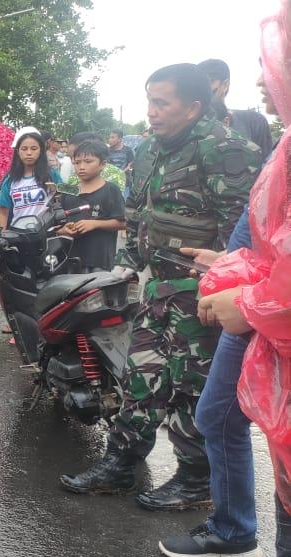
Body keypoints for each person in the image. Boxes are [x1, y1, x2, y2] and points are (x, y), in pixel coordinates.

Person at [60, 63, 262, 511]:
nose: (151, 112)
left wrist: (227, 288)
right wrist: (129, 266)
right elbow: (137, 214)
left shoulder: (229, 151)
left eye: (161, 103)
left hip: (203, 295)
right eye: (148, 101)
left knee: (192, 387)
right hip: (157, 288)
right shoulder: (150, 150)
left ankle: (195, 480)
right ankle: (120, 464)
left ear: (193, 107)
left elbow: (245, 235)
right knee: (141, 377)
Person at [158, 14, 287, 557]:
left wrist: (252, 300)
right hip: (258, 299)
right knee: (220, 412)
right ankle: (235, 529)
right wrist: (232, 264)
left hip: (268, 305)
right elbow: (260, 227)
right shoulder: (284, 143)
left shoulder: (232, 142)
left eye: (275, 60)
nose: (264, 77)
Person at [58, 139, 125, 271]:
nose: (81, 167)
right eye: (77, 162)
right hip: (70, 260)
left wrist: (95, 224)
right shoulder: (68, 191)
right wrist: (64, 230)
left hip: (99, 261)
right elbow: (57, 226)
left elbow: (122, 223)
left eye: (88, 161)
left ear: (102, 164)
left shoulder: (111, 190)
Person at [197, 58, 275, 159]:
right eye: (199, 85)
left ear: (225, 85)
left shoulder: (253, 121)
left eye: (209, 82)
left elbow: (267, 165)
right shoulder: (187, 125)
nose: (203, 90)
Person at [0, 128, 59, 230]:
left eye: (34, 148)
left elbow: (65, 198)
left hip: (47, 233)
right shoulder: (10, 180)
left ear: (41, 150)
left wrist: (56, 190)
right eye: (24, 149)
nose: (29, 153)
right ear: (18, 151)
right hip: (18, 234)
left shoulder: (52, 175)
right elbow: (3, 211)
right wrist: (1, 234)